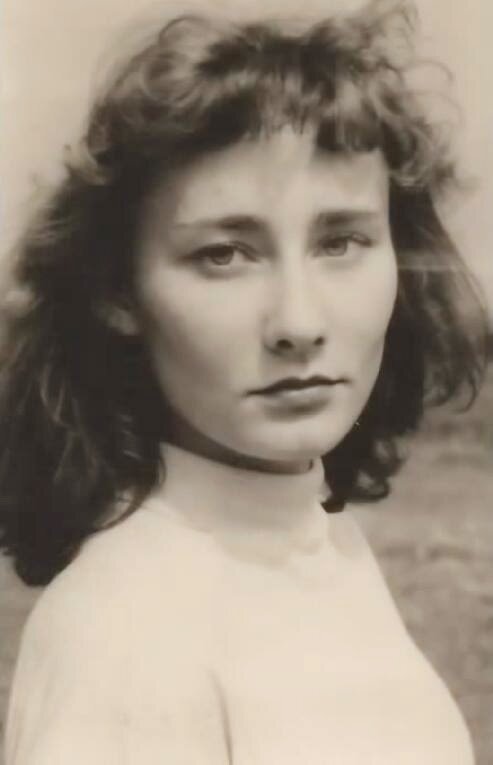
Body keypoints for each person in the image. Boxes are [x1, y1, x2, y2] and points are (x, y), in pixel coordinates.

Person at [0, 0, 488, 762]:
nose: (298, 321)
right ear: (117, 292)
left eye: (340, 241)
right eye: (223, 254)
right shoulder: (125, 638)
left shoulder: (319, 543)